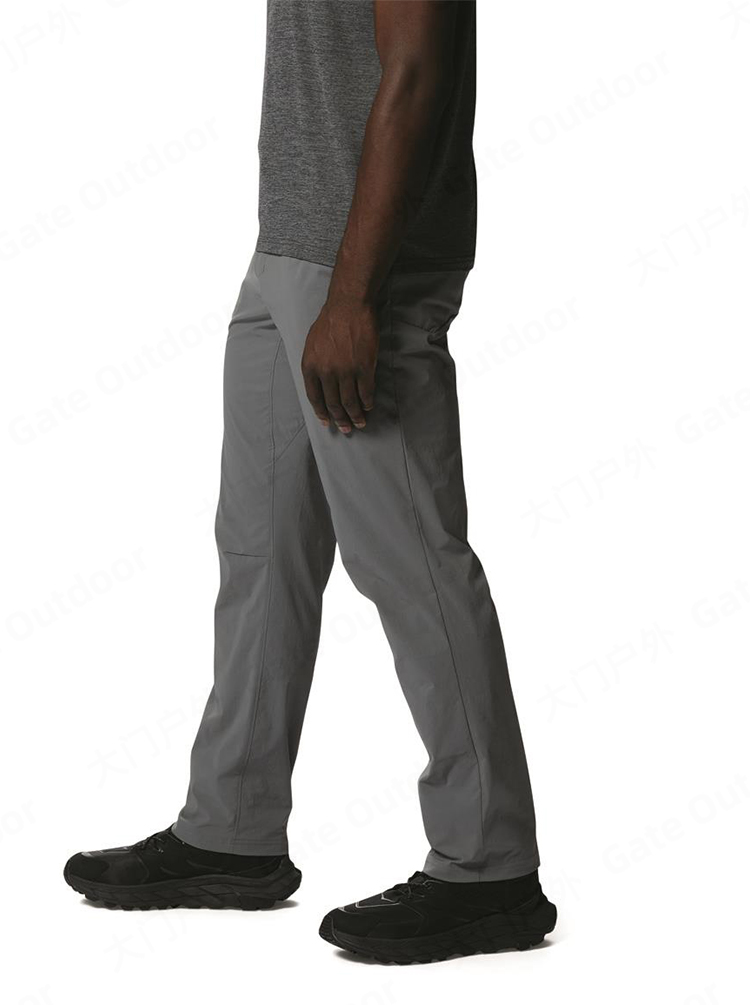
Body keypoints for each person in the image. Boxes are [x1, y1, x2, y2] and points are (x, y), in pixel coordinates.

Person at [64, 0, 556, 964]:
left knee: (411, 562)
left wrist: (355, 297)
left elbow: (415, 72)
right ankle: (232, 827)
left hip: (361, 276)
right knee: (260, 550)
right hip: (286, 254)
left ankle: (490, 864)